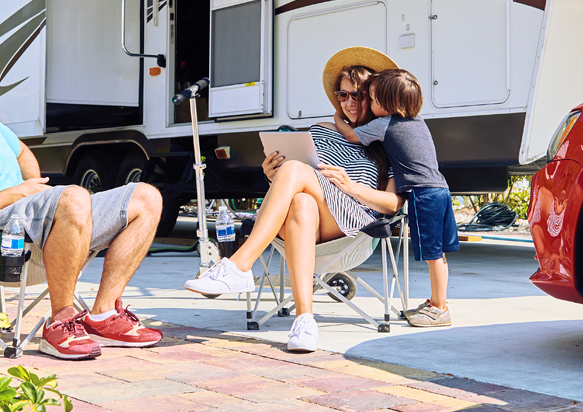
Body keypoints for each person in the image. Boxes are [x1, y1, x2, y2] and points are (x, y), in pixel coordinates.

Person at [0, 45, 164, 360]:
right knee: (74, 196)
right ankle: (60, 323)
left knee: (146, 196)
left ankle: (103, 314)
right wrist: (15, 194)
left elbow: (22, 153)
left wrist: (33, 190)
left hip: (38, 222)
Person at [184, 47, 404, 352]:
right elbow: (305, 176)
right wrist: (272, 175)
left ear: (372, 96)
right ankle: (304, 320)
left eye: (358, 95)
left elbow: (394, 204)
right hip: (311, 219)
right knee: (301, 200)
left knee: (295, 172)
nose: (349, 103)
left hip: (355, 228)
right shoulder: (322, 131)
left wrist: (349, 186)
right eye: (343, 95)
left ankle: (240, 265)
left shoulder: (388, 142)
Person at [334, 68, 458, 327]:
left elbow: (350, 135)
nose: (369, 101)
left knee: (432, 253)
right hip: (441, 190)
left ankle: (439, 308)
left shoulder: (384, 123)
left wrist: (338, 115)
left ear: (388, 104)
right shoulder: (418, 120)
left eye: (373, 98)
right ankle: (438, 301)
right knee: (440, 252)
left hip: (422, 193)